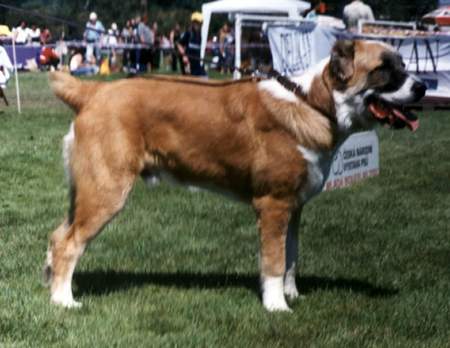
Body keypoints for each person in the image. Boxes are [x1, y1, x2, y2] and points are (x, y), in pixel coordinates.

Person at [178, 12, 206, 77]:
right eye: (198, 23)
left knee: (204, 77)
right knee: (188, 80)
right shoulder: (189, 33)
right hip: (189, 63)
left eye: (201, 23)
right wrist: (184, 56)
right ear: (193, 23)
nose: (200, 25)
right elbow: (179, 44)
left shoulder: (199, 34)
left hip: (197, 62)